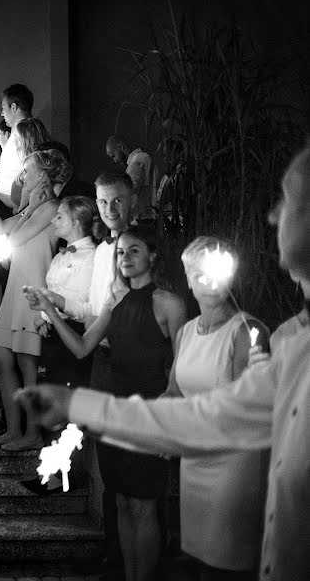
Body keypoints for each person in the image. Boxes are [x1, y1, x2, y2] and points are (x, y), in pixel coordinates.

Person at [18, 143, 310, 581]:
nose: (272, 217)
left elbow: (220, 417)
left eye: (288, 202)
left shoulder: (229, 326)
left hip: (229, 475)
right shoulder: (290, 341)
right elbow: (205, 413)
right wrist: (77, 406)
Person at [27, 225, 188, 581]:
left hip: (148, 409)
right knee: (121, 501)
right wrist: (50, 311)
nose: (125, 258)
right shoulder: (115, 300)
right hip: (112, 406)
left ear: (152, 256)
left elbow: (182, 362)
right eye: (120, 252)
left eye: (134, 251)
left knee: (144, 504)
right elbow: (84, 347)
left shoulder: (169, 303)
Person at [33, 168, 137, 578]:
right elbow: (90, 311)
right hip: (99, 352)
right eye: (104, 201)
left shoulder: (129, 250)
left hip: (128, 359)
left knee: (131, 476)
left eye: (118, 201)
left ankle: (129, 559)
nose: (110, 209)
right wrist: (51, 307)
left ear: (132, 202)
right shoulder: (100, 255)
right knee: (111, 469)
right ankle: (114, 550)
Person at [158, 235, 269, 580]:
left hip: (234, 465)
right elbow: (175, 390)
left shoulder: (247, 331)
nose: (209, 281)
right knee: (202, 562)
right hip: (195, 463)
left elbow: (244, 410)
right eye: (198, 272)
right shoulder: (187, 332)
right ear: (188, 280)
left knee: (228, 563)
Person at [0, 149, 63, 451]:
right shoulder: (33, 207)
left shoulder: (52, 207)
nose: (24, 176)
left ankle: (33, 434)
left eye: (28, 170)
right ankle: (13, 429)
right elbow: (1, 233)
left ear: (45, 174)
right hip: (16, 287)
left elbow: (11, 242)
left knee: (27, 363)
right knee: (2, 358)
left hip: (33, 288)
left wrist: (28, 210)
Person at [21, 196, 98, 494]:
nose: (52, 221)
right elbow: (50, 289)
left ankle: (62, 476)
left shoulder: (92, 258)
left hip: (73, 334)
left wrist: (55, 305)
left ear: (76, 222)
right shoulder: (60, 255)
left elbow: (85, 306)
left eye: (59, 218)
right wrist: (43, 316)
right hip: (52, 333)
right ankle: (50, 471)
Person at [0, 84, 35, 209]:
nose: (2, 113)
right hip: (7, 204)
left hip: (15, 210)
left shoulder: (26, 135)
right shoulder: (15, 135)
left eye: (3, 108)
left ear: (13, 107)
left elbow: (32, 174)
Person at [107, 135, 154, 224]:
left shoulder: (138, 159)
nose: (115, 160)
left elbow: (131, 188)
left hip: (143, 219)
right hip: (143, 218)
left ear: (120, 147)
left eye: (113, 156)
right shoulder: (140, 159)